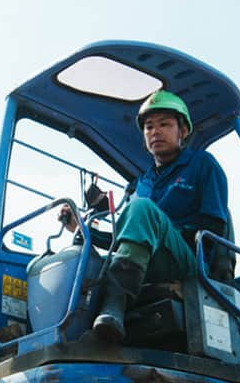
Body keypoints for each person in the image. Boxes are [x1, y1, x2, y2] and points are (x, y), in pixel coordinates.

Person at [85, 88, 231, 342]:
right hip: (144, 259)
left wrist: (213, 275)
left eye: (164, 124)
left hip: (186, 260)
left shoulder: (202, 165)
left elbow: (214, 228)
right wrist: (83, 230)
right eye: (149, 127)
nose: (155, 132)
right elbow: (124, 239)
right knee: (84, 259)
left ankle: (114, 306)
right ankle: (77, 328)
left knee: (142, 209)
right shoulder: (139, 183)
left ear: (182, 131)